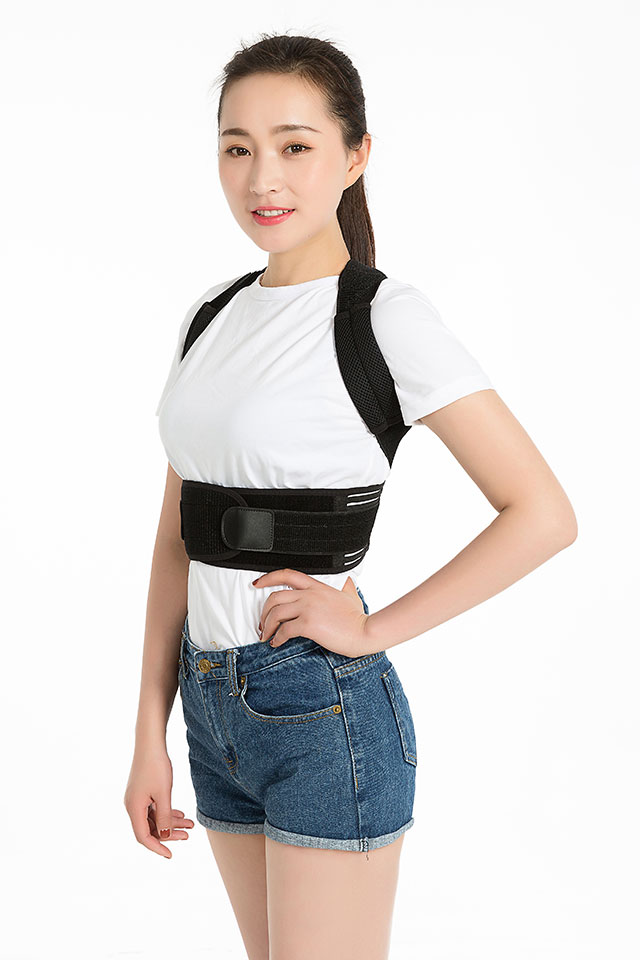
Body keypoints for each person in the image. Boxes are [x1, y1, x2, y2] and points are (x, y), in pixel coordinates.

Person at [124, 32, 578, 960]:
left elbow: (543, 514)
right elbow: (177, 539)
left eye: (295, 145)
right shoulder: (210, 315)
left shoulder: (381, 316)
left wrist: (372, 629)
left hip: (319, 703)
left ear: (355, 154)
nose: (262, 178)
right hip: (210, 707)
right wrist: (148, 733)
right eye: (238, 147)